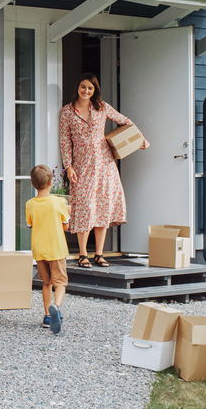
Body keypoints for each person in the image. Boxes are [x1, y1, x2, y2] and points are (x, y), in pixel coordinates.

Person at [57, 73, 148, 269]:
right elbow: (65, 141)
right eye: (83, 87)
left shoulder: (102, 107)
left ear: (94, 90)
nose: (86, 91)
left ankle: (99, 254)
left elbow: (126, 121)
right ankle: (82, 254)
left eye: (90, 88)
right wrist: (69, 166)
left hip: (104, 165)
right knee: (84, 209)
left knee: (102, 208)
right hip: (81, 166)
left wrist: (138, 139)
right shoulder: (67, 111)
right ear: (78, 87)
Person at [25, 164, 71, 333]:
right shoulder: (59, 202)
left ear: (32, 183)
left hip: (40, 250)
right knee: (60, 283)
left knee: (46, 283)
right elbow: (65, 227)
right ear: (51, 182)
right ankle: (57, 308)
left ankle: (47, 316)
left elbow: (30, 225)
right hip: (56, 249)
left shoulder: (30, 204)